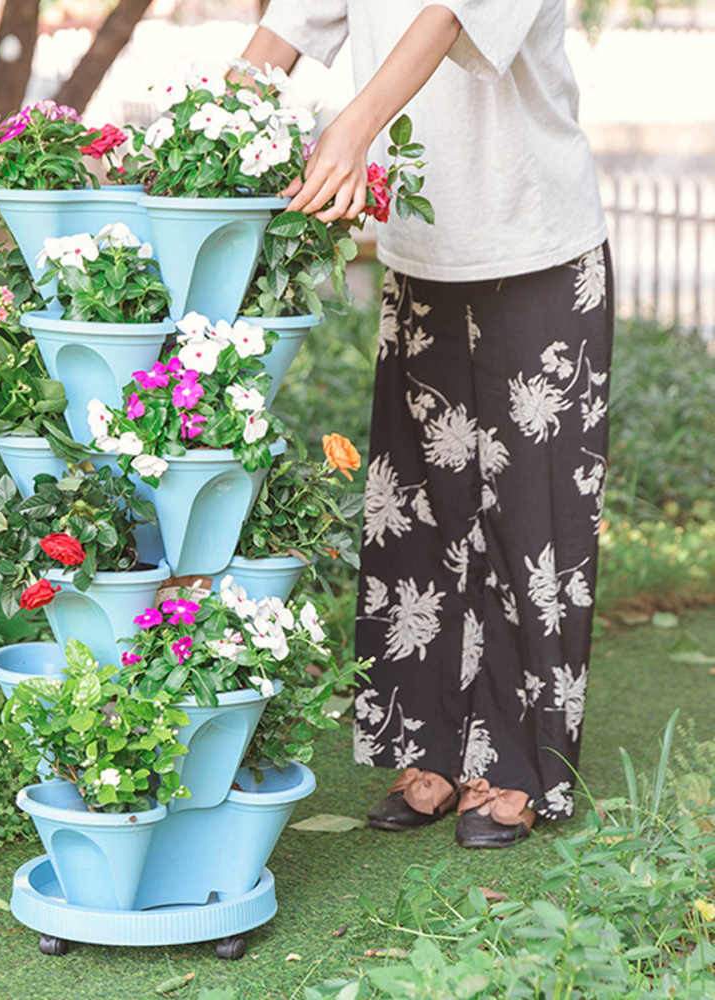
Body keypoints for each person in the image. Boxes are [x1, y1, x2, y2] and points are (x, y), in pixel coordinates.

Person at [240, 2, 612, 848]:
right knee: (422, 514)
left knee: (530, 519)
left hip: (535, 241)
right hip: (422, 252)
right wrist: (210, 131)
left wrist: (349, 131)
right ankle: (434, 747)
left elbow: (448, 17)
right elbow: (288, 30)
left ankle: (518, 764)